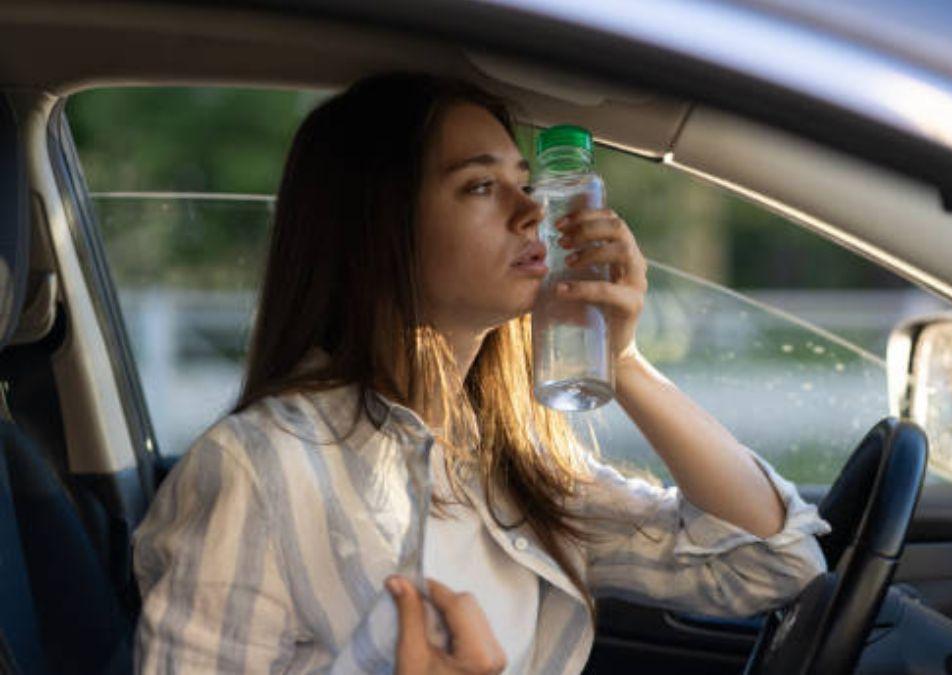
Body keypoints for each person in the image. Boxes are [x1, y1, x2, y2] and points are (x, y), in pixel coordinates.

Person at [131, 72, 830, 674]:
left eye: (525, 184)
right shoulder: (263, 468)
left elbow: (770, 562)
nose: (532, 213)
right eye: (480, 186)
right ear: (381, 228)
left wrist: (622, 362)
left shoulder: (498, 460)